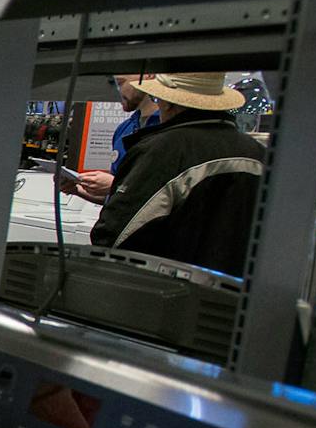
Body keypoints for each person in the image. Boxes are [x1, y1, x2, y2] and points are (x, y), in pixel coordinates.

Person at [88, 73, 262, 277]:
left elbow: (116, 234)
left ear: (168, 103)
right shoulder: (257, 152)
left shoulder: (165, 150)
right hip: (235, 294)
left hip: (166, 291)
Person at [66, 74, 158, 205]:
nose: (117, 92)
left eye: (120, 83)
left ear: (148, 75)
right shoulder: (124, 128)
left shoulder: (168, 129)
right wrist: (77, 190)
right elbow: (114, 198)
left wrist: (116, 185)